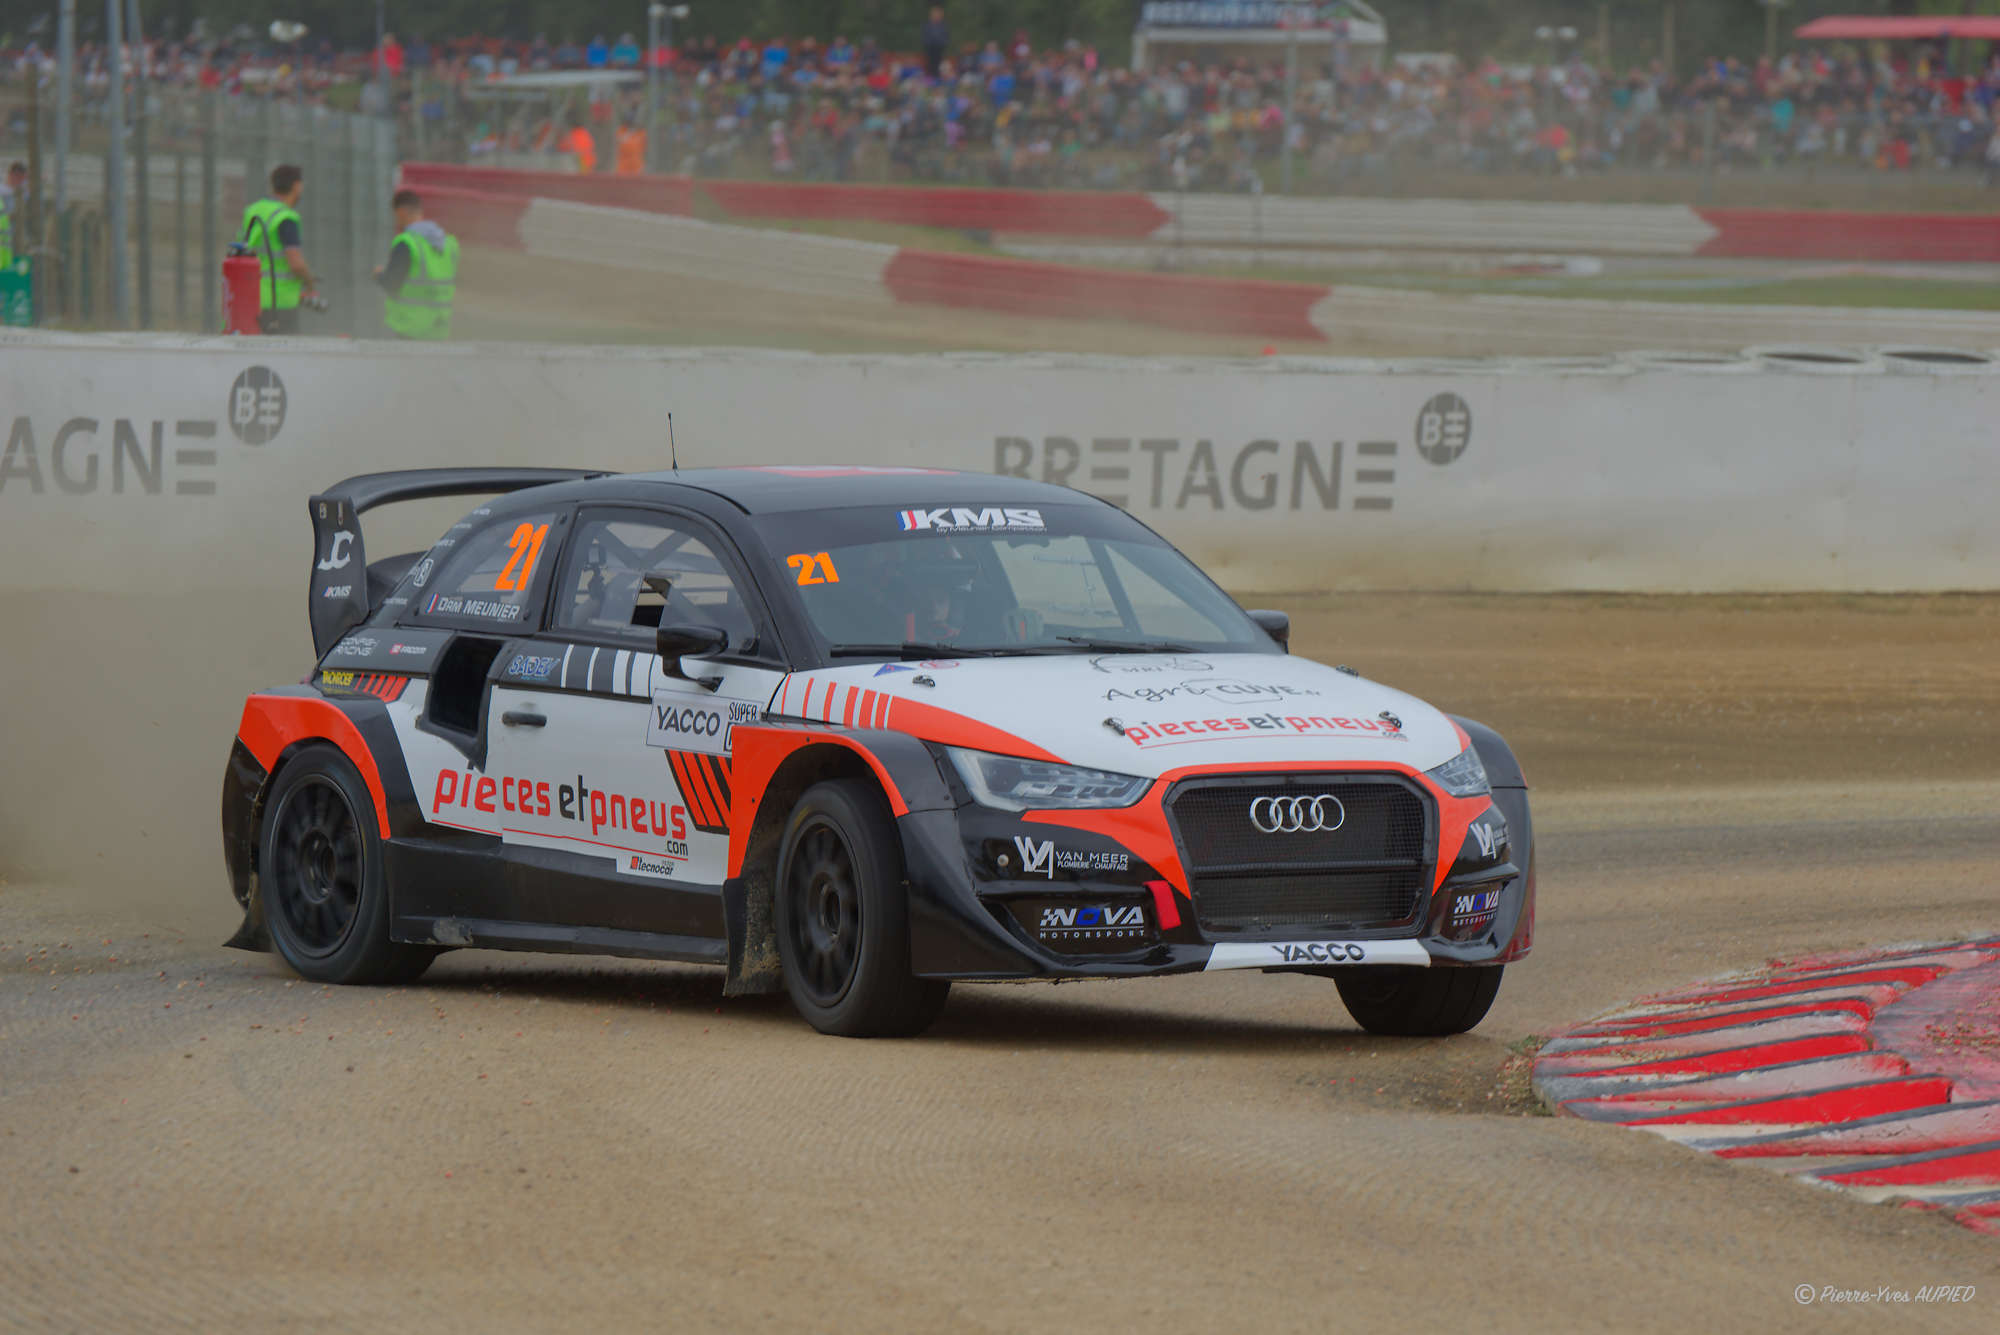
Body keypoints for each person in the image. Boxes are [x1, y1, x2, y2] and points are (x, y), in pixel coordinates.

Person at [238, 164, 318, 333]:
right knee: (283, 348)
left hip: (249, 296)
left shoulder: (254, 210)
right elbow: (296, 263)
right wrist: (309, 283)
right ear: (296, 186)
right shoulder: (286, 218)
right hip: (278, 303)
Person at [374, 189, 457, 340]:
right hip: (439, 328)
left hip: (412, 329)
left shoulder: (407, 243)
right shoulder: (448, 244)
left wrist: (379, 275)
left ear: (401, 212)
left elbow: (392, 284)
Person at [0, 162, 26, 268]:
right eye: (16, 176)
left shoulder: (23, 193)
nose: (18, 180)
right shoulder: (2, 191)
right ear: (10, 174)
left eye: (21, 177)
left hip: (15, 243)